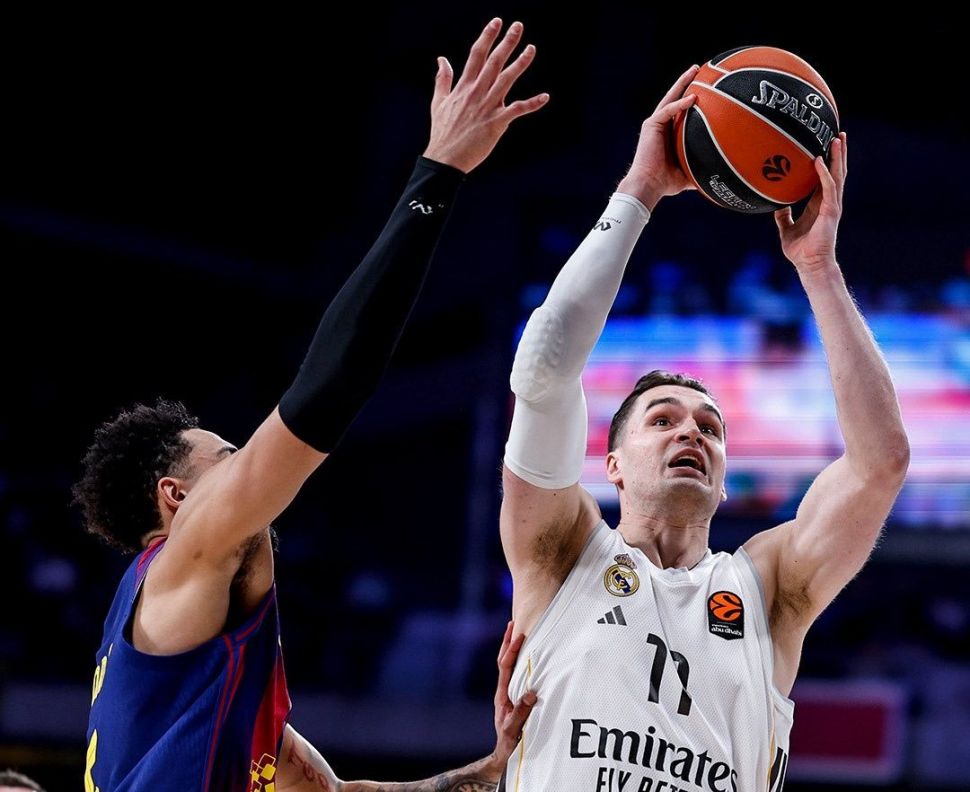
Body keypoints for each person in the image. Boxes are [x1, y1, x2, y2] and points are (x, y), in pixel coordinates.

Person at [73, 18, 545, 791]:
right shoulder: (187, 553)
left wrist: (488, 771)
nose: (248, 467)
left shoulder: (214, 675)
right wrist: (438, 173)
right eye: (229, 458)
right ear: (177, 498)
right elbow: (329, 388)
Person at [499, 65, 909, 790]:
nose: (691, 434)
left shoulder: (769, 589)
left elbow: (880, 464)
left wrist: (818, 267)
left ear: (723, 482)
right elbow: (544, 366)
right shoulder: (560, 551)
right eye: (662, 419)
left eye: (711, 429)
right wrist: (640, 190)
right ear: (612, 464)